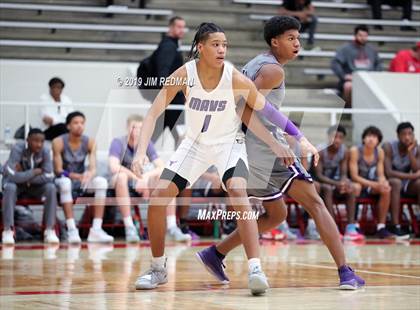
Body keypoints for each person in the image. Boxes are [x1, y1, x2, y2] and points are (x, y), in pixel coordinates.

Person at [132, 21, 317, 295]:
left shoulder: (234, 77)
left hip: (229, 144)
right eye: (216, 44)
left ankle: (256, 269)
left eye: (225, 45)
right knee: (158, 200)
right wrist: (139, 153)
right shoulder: (184, 74)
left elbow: (268, 112)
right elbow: (152, 114)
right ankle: (158, 268)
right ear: (200, 47)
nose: (222, 50)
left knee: (237, 191)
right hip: (194, 145)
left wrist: (296, 139)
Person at [196, 16, 365, 290]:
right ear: (275, 42)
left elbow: (260, 109)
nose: (297, 43)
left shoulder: (256, 62)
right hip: (262, 151)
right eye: (290, 38)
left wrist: (292, 136)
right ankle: (345, 272)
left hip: (245, 149)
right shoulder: (274, 71)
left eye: (298, 38)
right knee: (316, 203)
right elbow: (244, 108)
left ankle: (215, 254)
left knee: (276, 215)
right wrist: (277, 144)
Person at [52, 111, 113, 244]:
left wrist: (89, 174)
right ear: (68, 126)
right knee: (65, 183)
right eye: (76, 123)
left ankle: (96, 230)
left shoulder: (90, 142)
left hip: (80, 180)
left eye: (82, 123)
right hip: (64, 179)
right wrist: (75, 176)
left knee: (101, 182)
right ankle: (72, 230)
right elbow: (58, 170)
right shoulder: (58, 142)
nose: (79, 126)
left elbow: (93, 167)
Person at [108, 114, 163, 242]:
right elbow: (114, 167)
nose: (137, 130)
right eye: (134, 127)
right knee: (121, 176)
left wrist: (145, 178)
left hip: (140, 181)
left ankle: (172, 225)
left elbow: (161, 167)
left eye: (140, 128)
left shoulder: (147, 144)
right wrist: (137, 179)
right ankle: (129, 227)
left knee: (165, 177)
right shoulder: (118, 142)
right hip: (119, 182)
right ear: (127, 128)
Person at [1, 128, 59, 244]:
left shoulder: (46, 151)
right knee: (10, 187)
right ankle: (8, 230)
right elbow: (11, 175)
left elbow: (49, 176)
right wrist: (34, 172)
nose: (39, 144)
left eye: (41, 141)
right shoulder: (18, 148)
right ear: (27, 140)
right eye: (35, 141)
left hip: (34, 187)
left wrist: (23, 176)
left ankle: (49, 229)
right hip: (16, 185)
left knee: (51, 188)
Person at [314, 125, 364, 241]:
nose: (337, 140)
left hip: (334, 182)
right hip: (320, 183)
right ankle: (333, 227)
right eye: (334, 137)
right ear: (329, 137)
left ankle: (350, 227)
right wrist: (336, 184)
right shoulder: (320, 151)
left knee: (350, 189)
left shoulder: (344, 151)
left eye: (340, 137)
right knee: (327, 188)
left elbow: (343, 173)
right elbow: (319, 175)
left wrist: (344, 182)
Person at [349, 126, 394, 239]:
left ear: (378, 140)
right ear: (364, 138)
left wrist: (383, 182)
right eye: (369, 136)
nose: (371, 139)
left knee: (386, 189)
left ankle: (381, 227)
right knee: (356, 187)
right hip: (357, 183)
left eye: (374, 137)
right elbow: (354, 176)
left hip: (370, 184)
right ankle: (354, 225)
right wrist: (374, 184)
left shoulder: (379, 152)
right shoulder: (355, 151)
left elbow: (380, 174)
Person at [150, 16, 187, 146]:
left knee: (177, 137)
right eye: (179, 27)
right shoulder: (168, 47)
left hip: (171, 100)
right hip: (171, 101)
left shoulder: (172, 45)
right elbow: (163, 74)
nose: (182, 30)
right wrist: (174, 93)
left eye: (183, 27)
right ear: (171, 27)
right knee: (180, 137)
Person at [331, 25, 382, 107]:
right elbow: (335, 63)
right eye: (360, 35)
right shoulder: (345, 49)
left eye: (365, 36)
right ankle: (348, 110)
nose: (363, 38)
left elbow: (379, 64)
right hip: (351, 79)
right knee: (348, 86)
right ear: (355, 35)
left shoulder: (372, 50)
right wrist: (344, 76)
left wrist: (375, 75)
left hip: (368, 79)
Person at [383, 122, 419, 239]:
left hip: (405, 184)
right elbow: (388, 172)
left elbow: (416, 169)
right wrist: (412, 177)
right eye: (404, 134)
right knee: (396, 182)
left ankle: (418, 221)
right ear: (398, 136)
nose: (407, 137)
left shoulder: (415, 149)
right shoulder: (388, 146)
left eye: (410, 134)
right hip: (388, 182)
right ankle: (395, 225)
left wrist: (410, 152)